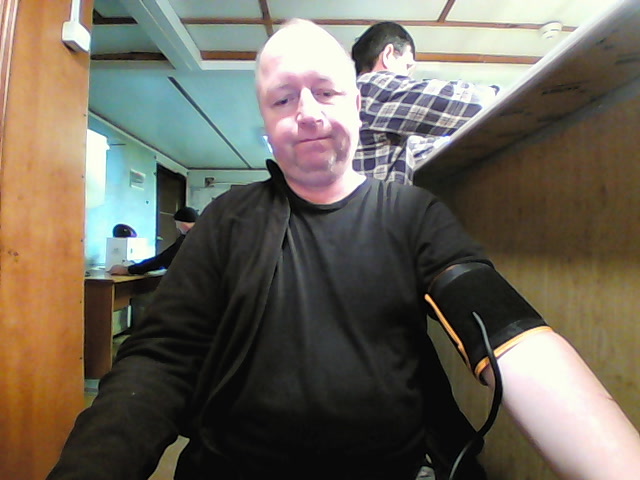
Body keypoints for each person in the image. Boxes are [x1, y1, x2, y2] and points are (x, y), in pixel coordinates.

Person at [48, 19, 640, 480]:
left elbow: (512, 336)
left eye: (326, 93)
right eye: (283, 100)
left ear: (357, 104)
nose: (306, 114)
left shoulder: (410, 213)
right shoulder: (229, 216)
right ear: (266, 121)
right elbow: (159, 361)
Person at [351, 21, 498, 185]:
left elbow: (414, 152)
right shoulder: (371, 86)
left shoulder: (357, 102)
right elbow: (469, 104)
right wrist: (497, 92)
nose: (409, 77)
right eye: (407, 66)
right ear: (388, 54)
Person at [108, 206, 198, 275]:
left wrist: (128, 270)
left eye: (177, 224)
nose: (177, 228)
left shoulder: (188, 239)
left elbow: (163, 259)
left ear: (182, 224)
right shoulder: (201, 234)